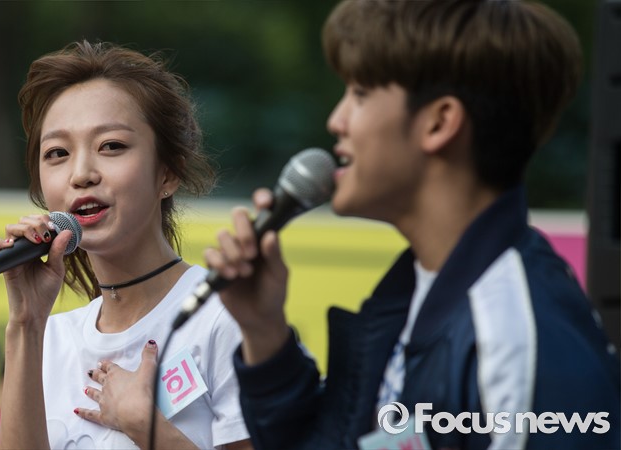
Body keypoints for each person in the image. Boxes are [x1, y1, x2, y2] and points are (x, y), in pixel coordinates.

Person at [204, 1, 621, 449]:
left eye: (360, 93)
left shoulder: (517, 341)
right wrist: (264, 331)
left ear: (439, 122)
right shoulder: (405, 293)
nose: (336, 121)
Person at [0, 40, 251, 450]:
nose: (81, 173)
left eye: (111, 146)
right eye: (57, 153)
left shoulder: (227, 317)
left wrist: (147, 428)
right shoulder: (47, 339)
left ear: (168, 173)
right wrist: (25, 323)